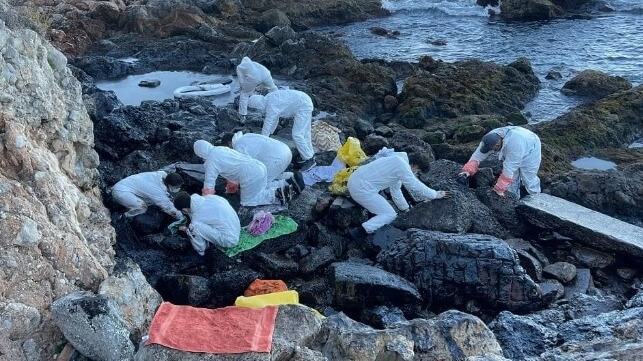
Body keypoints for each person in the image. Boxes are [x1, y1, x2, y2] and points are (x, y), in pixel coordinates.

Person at [347, 153, 452, 234]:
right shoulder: (402, 166)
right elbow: (414, 185)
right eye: (417, 171)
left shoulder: (396, 158)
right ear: (415, 165)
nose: (415, 173)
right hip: (362, 190)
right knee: (389, 214)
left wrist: (405, 209)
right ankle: (361, 231)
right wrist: (435, 194)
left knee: (384, 207)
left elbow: (396, 190)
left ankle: (359, 206)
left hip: (353, 182)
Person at [193, 139, 293, 206]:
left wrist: (205, 203)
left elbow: (209, 186)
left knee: (247, 201)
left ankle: (276, 194)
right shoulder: (221, 149)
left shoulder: (211, 161)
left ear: (200, 154)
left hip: (249, 174)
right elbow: (232, 167)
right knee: (260, 187)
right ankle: (284, 183)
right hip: (258, 165)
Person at [458, 126, 541, 198]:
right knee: (514, 178)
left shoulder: (514, 146)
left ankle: (536, 197)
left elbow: (509, 168)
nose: (490, 151)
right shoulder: (489, 138)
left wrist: (499, 189)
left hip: (531, 146)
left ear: (497, 146)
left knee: (528, 177)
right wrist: (466, 172)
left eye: (492, 149)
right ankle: (514, 198)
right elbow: (477, 156)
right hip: (513, 140)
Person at [247, 89, 316, 171]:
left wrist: (263, 139)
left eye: (255, 108)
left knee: (297, 135)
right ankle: (310, 154)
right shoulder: (269, 98)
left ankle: (309, 159)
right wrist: (270, 133)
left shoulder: (271, 105)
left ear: (257, 105)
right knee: (305, 133)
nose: (258, 110)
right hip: (304, 100)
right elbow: (275, 119)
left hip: (303, 105)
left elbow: (268, 122)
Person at [220, 131, 305, 194]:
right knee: (271, 173)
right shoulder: (246, 136)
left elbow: (245, 168)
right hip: (286, 152)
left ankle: (288, 183)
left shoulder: (238, 147)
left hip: (276, 159)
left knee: (260, 186)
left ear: (229, 143)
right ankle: (291, 176)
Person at [173, 191, 240, 255]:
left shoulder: (197, 219)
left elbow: (195, 224)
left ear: (184, 210)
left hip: (229, 240)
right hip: (236, 228)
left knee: (194, 227)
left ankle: (200, 252)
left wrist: (186, 229)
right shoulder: (210, 197)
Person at [111, 171, 184, 219]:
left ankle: (127, 205)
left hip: (125, 185)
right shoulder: (156, 190)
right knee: (142, 207)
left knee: (152, 201)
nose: (178, 188)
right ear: (169, 184)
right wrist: (181, 216)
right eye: (176, 187)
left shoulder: (161, 174)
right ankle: (123, 217)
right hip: (121, 191)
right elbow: (167, 206)